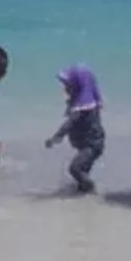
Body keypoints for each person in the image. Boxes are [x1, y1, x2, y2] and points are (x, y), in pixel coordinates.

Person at [44, 65, 106, 193]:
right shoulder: (83, 102)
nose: (65, 88)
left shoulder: (83, 106)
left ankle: (94, 191)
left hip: (91, 145)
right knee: (81, 174)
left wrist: (56, 138)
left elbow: (70, 123)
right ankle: (84, 197)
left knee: (75, 169)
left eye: (68, 85)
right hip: (89, 144)